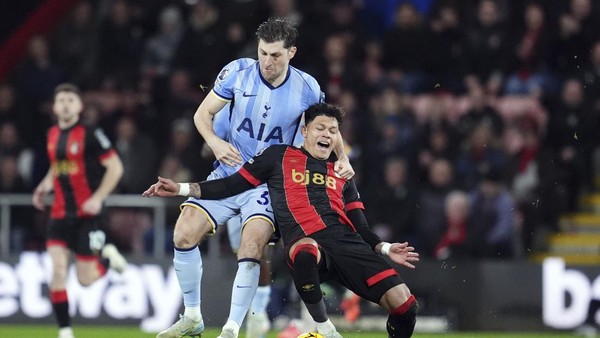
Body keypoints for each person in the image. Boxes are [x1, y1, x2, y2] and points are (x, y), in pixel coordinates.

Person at [144, 103, 419, 338]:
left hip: (347, 245)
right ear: (304, 131)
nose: (327, 135)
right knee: (306, 250)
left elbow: (360, 225)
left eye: (333, 131)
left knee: (406, 307)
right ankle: (324, 329)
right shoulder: (279, 157)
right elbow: (230, 185)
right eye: (320, 128)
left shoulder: (341, 172)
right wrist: (180, 188)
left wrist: (384, 248)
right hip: (307, 243)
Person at [153, 17, 354, 338]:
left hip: (269, 182)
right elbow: (202, 114)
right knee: (183, 234)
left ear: (292, 53)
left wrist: (342, 158)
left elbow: (328, 126)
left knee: (251, 247)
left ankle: (232, 329)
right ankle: (192, 317)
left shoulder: (307, 87)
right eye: (263, 53)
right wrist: (216, 142)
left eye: (275, 55)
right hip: (229, 171)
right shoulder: (237, 72)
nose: (267, 62)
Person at [32, 83, 127, 338]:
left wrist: (98, 198)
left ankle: (106, 258)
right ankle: (65, 331)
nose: (65, 104)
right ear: (54, 106)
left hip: (89, 215)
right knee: (59, 271)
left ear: (80, 106)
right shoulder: (52, 133)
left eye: (70, 100)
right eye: (60, 100)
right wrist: (43, 186)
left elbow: (116, 167)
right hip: (60, 215)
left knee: (85, 280)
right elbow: (57, 167)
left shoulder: (90, 132)